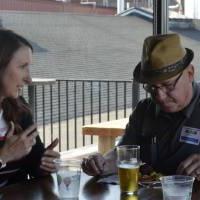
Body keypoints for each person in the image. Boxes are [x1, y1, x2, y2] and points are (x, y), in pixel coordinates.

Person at [82, 33, 200, 180]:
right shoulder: (144, 110)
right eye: (152, 88)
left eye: (168, 85)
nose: (160, 96)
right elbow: (123, 154)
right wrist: (101, 163)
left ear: (190, 73)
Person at [0, 28, 60, 187]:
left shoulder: (19, 108)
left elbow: (33, 167)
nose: (29, 78)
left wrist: (45, 164)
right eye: (22, 67)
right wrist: (4, 156)